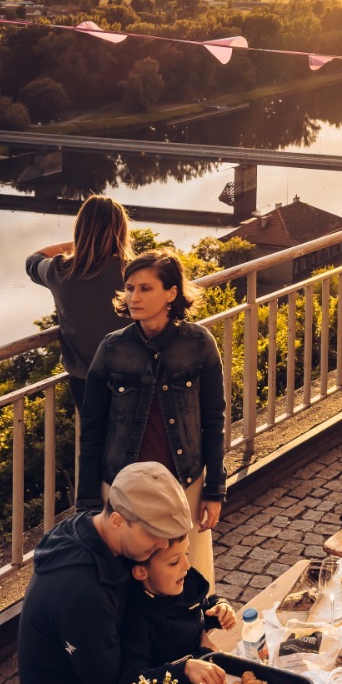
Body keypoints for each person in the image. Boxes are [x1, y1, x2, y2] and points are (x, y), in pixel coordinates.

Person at [17, 462, 225, 684]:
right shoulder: (83, 593)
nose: (163, 543)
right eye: (154, 535)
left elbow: (157, 612)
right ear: (118, 521)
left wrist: (197, 630)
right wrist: (182, 669)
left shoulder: (102, 534)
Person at [77, 250, 226, 585]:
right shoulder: (112, 348)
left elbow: (214, 421)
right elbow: (92, 429)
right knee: (128, 579)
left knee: (188, 576)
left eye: (145, 288)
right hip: (121, 488)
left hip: (183, 484)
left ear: (171, 293)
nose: (134, 297)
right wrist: (88, 499)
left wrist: (214, 489)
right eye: (129, 288)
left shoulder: (199, 343)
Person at [25, 196, 133, 413]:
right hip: (133, 376)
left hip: (86, 382)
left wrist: (82, 243)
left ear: (80, 229)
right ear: (120, 231)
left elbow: (33, 260)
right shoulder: (134, 272)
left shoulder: (59, 270)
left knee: (97, 441)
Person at [122, 536, 237, 673]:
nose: (187, 565)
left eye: (186, 554)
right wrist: (189, 665)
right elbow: (135, 680)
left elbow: (201, 611)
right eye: (174, 562)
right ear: (141, 572)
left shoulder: (186, 583)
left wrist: (219, 609)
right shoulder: (137, 620)